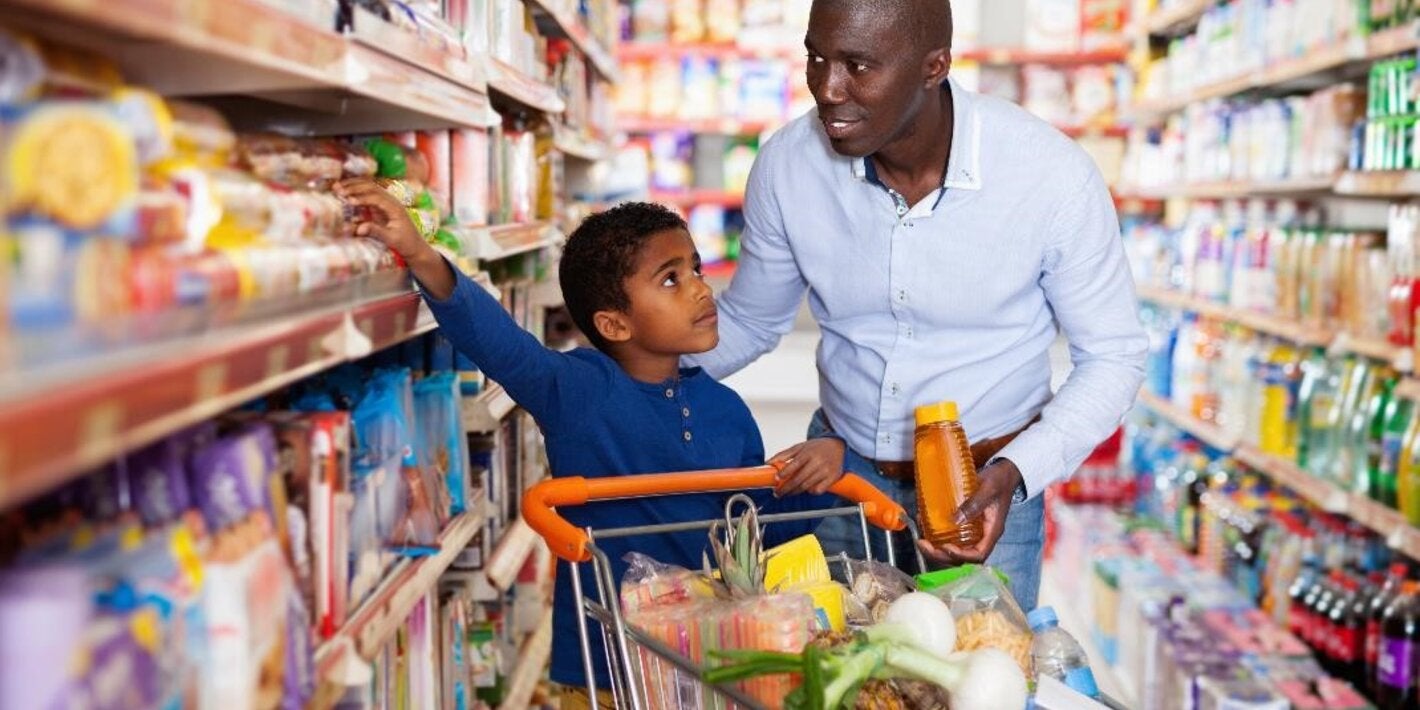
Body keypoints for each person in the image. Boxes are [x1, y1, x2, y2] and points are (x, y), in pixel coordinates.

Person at [686, 0, 1147, 612]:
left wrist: (1016, 470)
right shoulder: (787, 166)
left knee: (975, 681)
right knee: (845, 684)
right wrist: (617, 375)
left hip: (981, 489)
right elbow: (749, 321)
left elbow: (1113, 356)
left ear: (935, 67)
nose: (827, 88)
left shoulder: (1049, 176)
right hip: (839, 480)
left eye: (857, 65)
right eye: (816, 58)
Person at [333, 183, 843, 708]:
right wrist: (420, 253)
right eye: (671, 279)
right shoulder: (578, 391)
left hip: (710, 665)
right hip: (606, 671)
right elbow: (500, 344)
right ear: (613, 323)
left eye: (695, 268)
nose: (700, 289)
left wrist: (819, 474)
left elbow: (751, 534)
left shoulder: (727, 409)